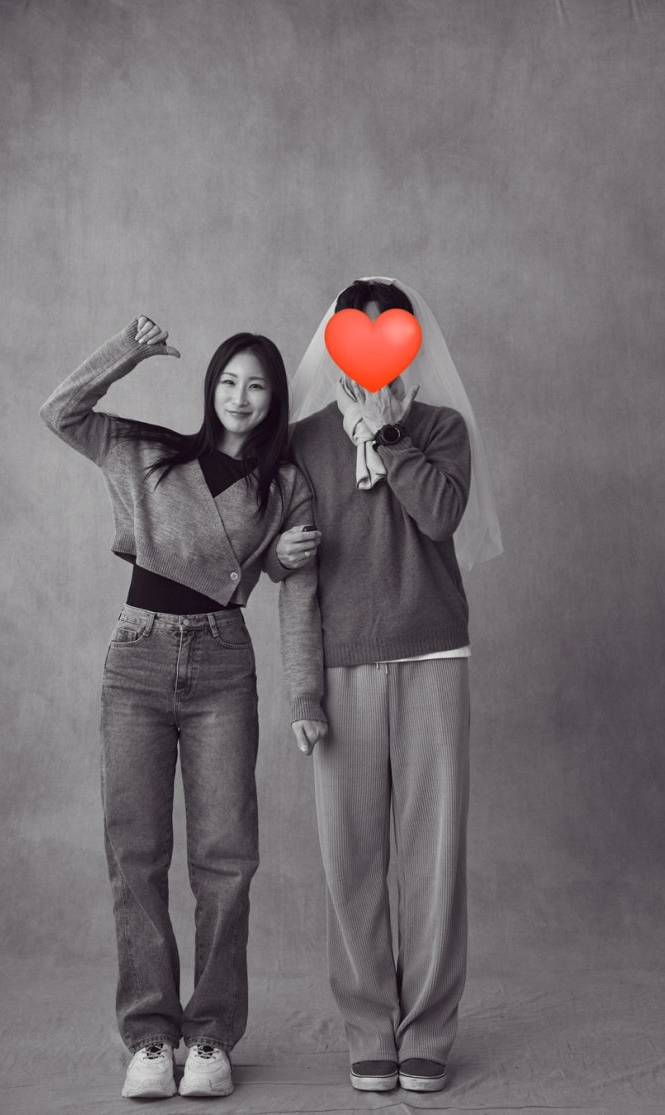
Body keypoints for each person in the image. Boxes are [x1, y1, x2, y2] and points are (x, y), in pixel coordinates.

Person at [40, 315, 325, 1100]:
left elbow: (298, 598)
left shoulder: (286, 486)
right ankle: (148, 1035)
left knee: (227, 858)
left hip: (223, 664)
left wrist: (305, 694)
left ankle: (210, 1037)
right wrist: (125, 352)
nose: (239, 396)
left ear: (274, 400)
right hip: (136, 657)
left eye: (256, 385)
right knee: (134, 851)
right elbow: (60, 411)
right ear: (211, 388)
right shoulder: (150, 452)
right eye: (228, 380)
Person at [272, 278, 501, 1094]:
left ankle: (428, 1029)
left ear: (409, 343)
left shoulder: (441, 429)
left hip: (433, 656)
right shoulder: (301, 443)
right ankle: (369, 1025)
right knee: (350, 854)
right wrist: (303, 692)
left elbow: (438, 517)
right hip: (339, 667)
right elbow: (294, 576)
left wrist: (388, 433)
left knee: (433, 854)